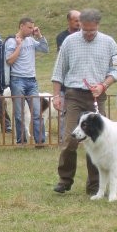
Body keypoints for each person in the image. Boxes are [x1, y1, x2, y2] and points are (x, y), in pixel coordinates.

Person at [51, 8, 117, 195]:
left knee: (98, 141)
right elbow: (58, 72)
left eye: (92, 31)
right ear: (79, 25)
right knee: (70, 140)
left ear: (98, 26)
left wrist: (103, 86)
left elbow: (115, 72)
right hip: (74, 96)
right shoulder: (69, 42)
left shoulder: (109, 43)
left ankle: (95, 185)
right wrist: (57, 96)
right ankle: (64, 180)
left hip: (97, 97)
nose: (88, 34)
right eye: (85, 30)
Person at [4, 17, 49, 144]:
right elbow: (9, 60)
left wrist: (39, 36)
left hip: (32, 81)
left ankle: (40, 141)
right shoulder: (12, 41)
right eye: (29, 27)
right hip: (17, 80)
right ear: (21, 26)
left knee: (37, 111)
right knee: (19, 114)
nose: (31, 30)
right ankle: (21, 141)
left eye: (32, 27)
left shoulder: (31, 40)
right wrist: (19, 46)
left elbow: (45, 49)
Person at [54, 10, 81, 140]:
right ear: (69, 21)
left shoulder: (84, 36)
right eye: (76, 20)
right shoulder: (62, 37)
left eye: (80, 20)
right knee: (65, 113)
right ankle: (63, 139)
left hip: (81, 83)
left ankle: (81, 138)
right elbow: (63, 60)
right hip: (66, 82)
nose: (79, 23)